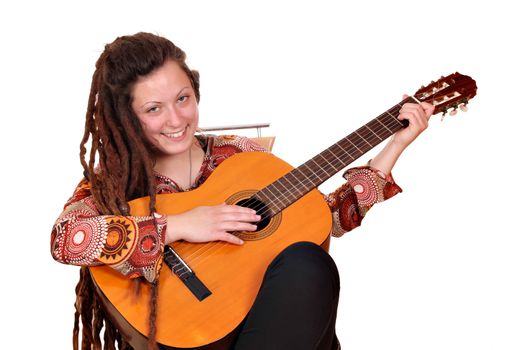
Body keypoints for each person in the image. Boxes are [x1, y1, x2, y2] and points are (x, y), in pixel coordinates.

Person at [51, 32, 434, 350]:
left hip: (267, 325)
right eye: (154, 109)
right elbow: (66, 239)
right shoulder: (114, 184)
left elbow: (322, 218)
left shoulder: (239, 156)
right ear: (126, 116)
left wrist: (394, 146)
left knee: (308, 263)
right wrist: (179, 225)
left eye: (183, 98)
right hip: (188, 335)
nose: (175, 119)